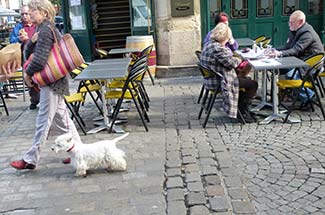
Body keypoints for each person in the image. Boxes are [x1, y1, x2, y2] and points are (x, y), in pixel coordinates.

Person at [10, 0, 82, 170]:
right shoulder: (43, 30)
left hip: (51, 82)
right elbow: (29, 52)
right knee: (64, 120)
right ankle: (77, 151)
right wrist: (30, 42)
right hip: (55, 82)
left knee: (43, 121)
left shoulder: (45, 31)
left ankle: (31, 159)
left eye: (34, 10)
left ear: (44, 12)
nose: (31, 12)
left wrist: (28, 74)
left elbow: (39, 60)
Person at [200, 23, 258, 123]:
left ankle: (241, 108)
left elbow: (227, 60)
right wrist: (240, 59)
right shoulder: (218, 48)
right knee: (253, 84)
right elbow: (231, 63)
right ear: (224, 37)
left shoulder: (209, 44)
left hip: (211, 80)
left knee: (246, 79)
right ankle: (243, 111)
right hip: (219, 82)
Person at [272, 10, 324, 104]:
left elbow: (296, 50)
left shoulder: (307, 33)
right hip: (299, 61)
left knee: (289, 74)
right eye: (289, 22)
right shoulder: (295, 31)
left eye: (292, 22)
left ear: (300, 22)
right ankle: (282, 96)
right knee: (277, 69)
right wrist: (274, 50)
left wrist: (279, 54)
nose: (289, 24)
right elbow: (288, 47)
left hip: (310, 65)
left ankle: (309, 97)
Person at [9, 5, 39, 110]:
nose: (24, 16)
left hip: (37, 54)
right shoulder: (18, 27)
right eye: (22, 14)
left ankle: (43, 97)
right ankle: (34, 100)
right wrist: (19, 38)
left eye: (26, 14)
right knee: (29, 78)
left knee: (40, 76)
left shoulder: (37, 26)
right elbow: (11, 40)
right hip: (25, 57)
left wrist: (31, 39)